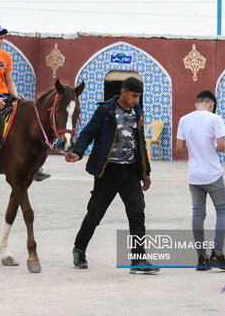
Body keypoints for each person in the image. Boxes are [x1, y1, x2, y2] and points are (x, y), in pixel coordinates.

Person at [66, 77, 159, 274]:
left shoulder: (137, 112)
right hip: (107, 171)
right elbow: (88, 133)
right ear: (123, 92)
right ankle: (79, 249)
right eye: (133, 96)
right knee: (95, 214)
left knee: (137, 213)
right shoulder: (105, 110)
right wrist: (78, 152)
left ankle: (138, 259)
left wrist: (146, 172)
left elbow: (140, 143)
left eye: (138, 96)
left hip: (131, 172)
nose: (136, 100)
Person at [0, 23, 50, 182]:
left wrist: (16, 97)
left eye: (2, 38)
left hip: (5, 95)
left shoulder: (5, 56)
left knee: (26, 117)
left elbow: (9, 80)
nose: (0, 42)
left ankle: (36, 165)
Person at [176, 90, 225, 271]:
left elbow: (179, 147)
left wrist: (195, 150)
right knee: (223, 211)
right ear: (212, 104)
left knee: (198, 214)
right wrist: (210, 149)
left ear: (196, 103)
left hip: (194, 176)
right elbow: (222, 147)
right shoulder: (215, 119)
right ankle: (217, 254)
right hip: (213, 174)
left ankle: (201, 258)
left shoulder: (184, 120)